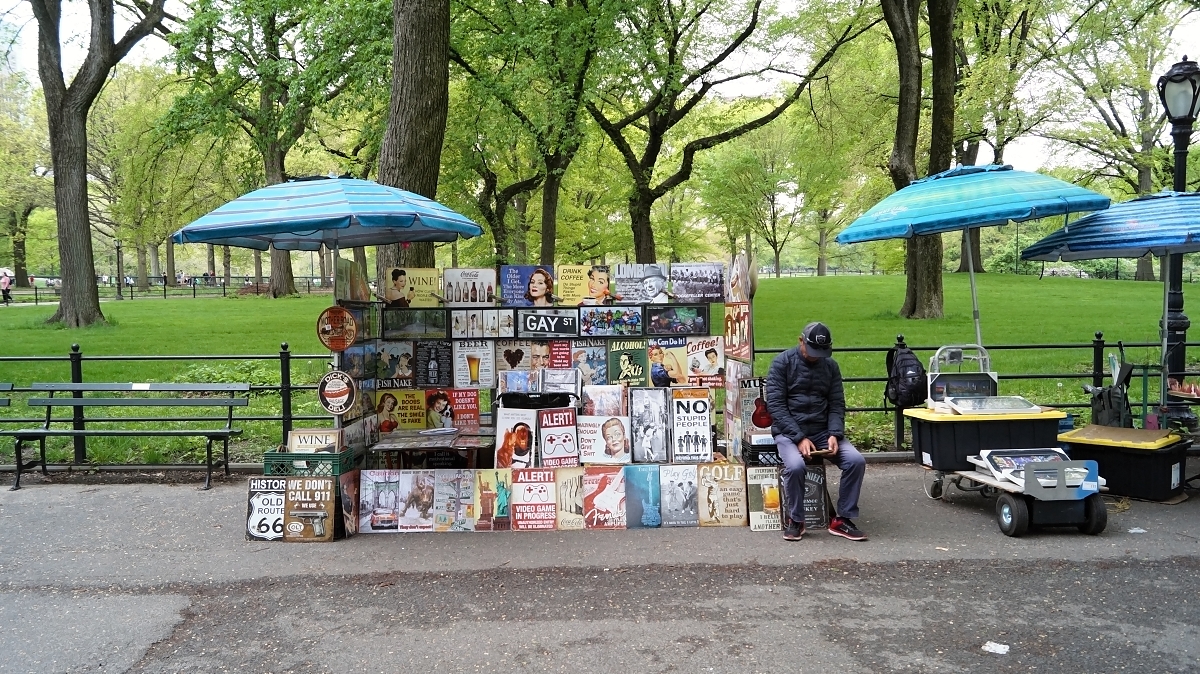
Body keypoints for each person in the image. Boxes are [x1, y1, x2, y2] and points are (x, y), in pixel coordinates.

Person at [766, 321, 867, 542]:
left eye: (821, 352)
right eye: (812, 351)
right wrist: (799, 437)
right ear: (801, 341)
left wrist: (834, 434)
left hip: (822, 430)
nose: (815, 357)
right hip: (788, 432)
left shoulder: (830, 367)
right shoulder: (782, 363)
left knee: (855, 461)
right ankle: (796, 520)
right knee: (795, 466)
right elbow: (776, 406)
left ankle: (843, 519)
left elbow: (837, 403)